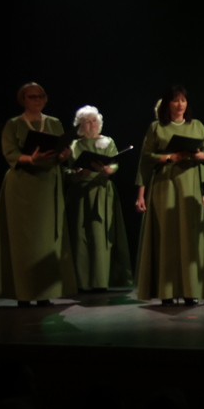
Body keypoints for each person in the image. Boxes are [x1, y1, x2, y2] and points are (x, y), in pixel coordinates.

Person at [0, 82, 76, 306]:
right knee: (24, 242)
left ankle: (44, 293)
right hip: (22, 187)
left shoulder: (54, 122)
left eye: (40, 96)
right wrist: (32, 159)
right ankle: (24, 293)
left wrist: (64, 155)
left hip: (48, 186)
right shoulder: (14, 124)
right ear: (23, 100)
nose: (37, 100)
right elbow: (10, 153)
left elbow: (62, 151)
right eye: (31, 96)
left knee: (46, 241)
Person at [135, 85, 204, 305]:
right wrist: (170, 157)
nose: (180, 104)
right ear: (167, 103)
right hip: (165, 186)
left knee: (189, 237)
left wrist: (199, 155)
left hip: (190, 186)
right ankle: (166, 292)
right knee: (167, 236)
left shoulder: (197, 126)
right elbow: (146, 157)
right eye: (176, 100)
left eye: (183, 100)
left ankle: (190, 291)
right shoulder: (156, 127)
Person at [65, 105, 134, 291]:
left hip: (101, 192)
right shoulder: (74, 145)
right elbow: (67, 171)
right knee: (80, 237)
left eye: (94, 120)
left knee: (99, 236)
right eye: (87, 121)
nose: (92, 124)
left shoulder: (107, 141)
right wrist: (79, 173)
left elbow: (114, 164)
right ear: (80, 125)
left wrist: (107, 170)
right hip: (81, 194)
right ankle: (82, 283)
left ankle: (99, 282)